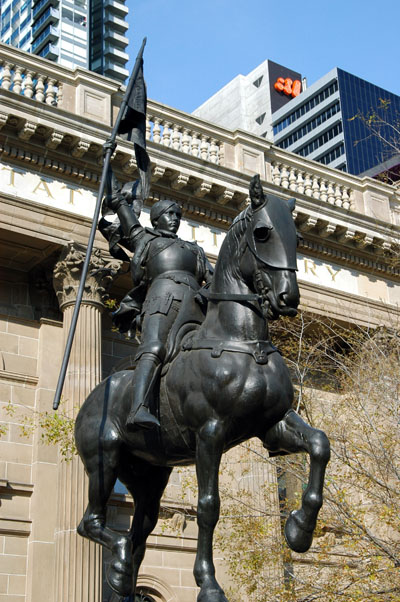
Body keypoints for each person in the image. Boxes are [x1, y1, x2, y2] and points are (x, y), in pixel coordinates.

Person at [100, 184, 213, 431]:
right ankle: (138, 407)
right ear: (156, 218)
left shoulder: (195, 250)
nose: (175, 220)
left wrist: (207, 291)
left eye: (178, 216)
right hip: (162, 300)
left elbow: (213, 279)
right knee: (153, 346)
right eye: (170, 215)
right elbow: (123, 212)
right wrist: (117, 197)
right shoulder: (146, 239)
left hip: (195, 304)